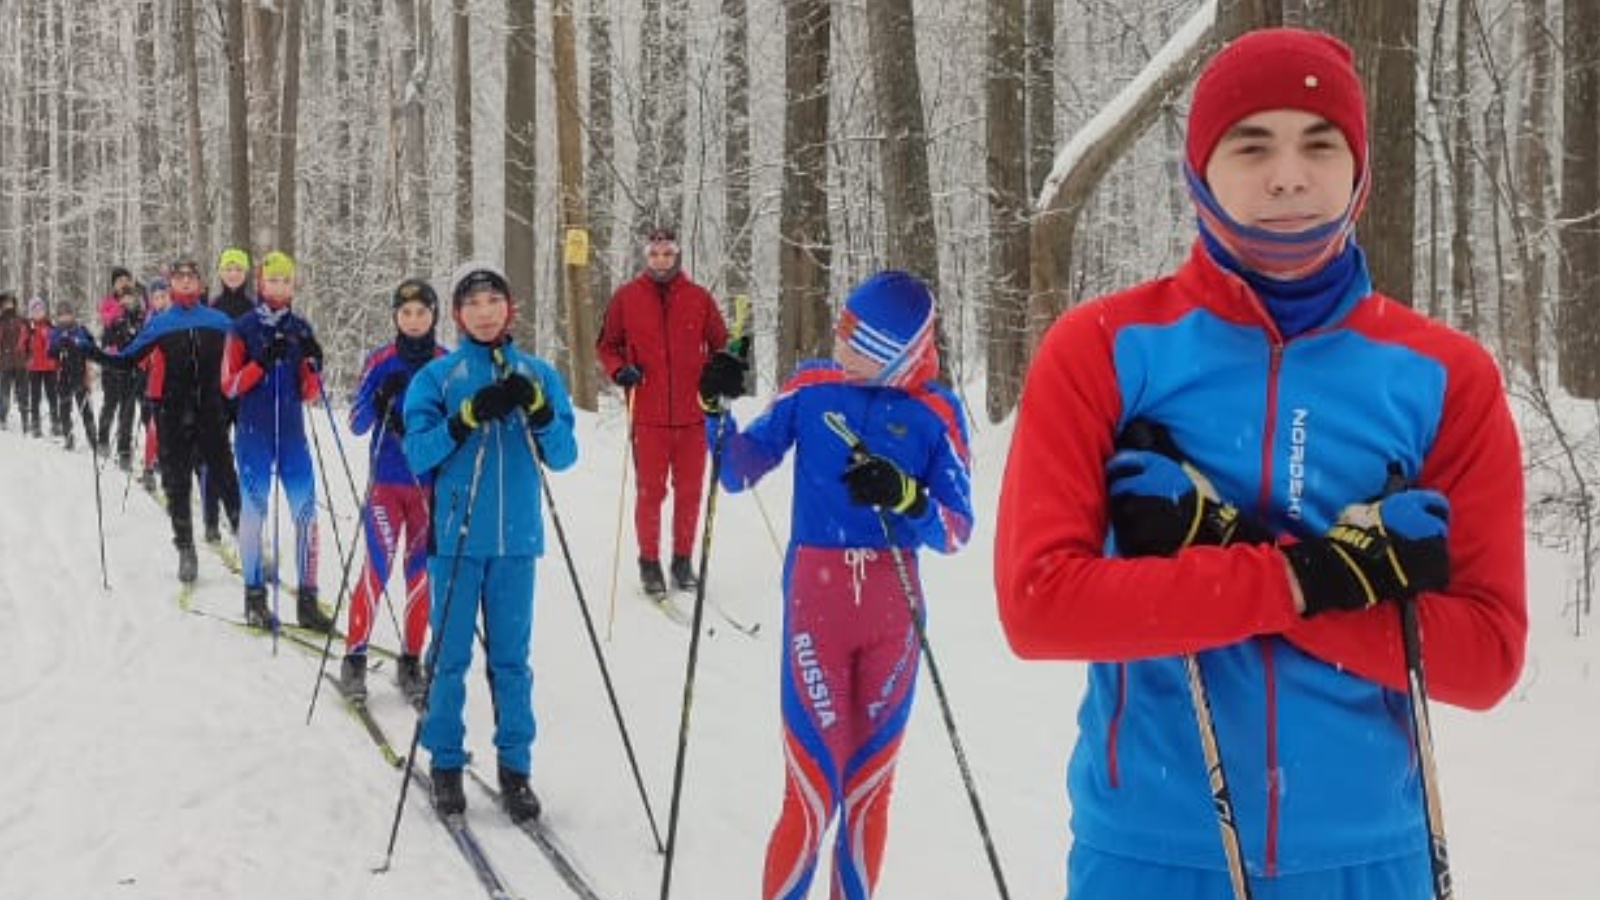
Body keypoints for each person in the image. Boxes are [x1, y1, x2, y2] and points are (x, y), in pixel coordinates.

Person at [992, 27, 1527, 900]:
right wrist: (1316, 577)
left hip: (1370, 856)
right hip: (1152, 855)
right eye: (1253, 145)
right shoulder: (1104, 351)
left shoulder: (1443, 377)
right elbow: (1040, 606)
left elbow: (1484, 658)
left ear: (1359, 173)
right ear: (1200, 168)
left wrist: (1240, 563)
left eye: (1322, 144)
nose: (1289, 175)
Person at [697, 270, 973, 900]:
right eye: (840, 329)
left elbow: (957, 531)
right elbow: (738, 472)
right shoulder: (813, 386)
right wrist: (715, 411)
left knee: (869, 789)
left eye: (856, 338)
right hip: (816, 607)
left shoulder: (936, 411)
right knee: (812, 788)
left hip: (893, 613)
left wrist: (906, 496)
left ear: (893, 353)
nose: (837, 343)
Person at [402, 260, 577, 824]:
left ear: (510, 308)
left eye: (493, 301)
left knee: (511, 661)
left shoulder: (538, 372)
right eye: (472, 303)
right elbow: (418, 452)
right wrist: (468, 416)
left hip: (517, 539)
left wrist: (540, 410)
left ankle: (515, 768)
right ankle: (447, 762)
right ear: (456, 314)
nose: (484, 312)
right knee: (449, 657)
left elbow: (565, 454)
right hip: (455, 537)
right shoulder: (439, 378)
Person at [85, 257, 241, 583]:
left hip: (211, 411)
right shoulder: (160, 323)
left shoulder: (219, 320)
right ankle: (186, 548)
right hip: (171, 412)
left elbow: (248, 350)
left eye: (191, 276)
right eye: (179, 276)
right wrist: (92, 352)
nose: (185, 281)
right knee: (177, 481)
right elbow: (128, 360)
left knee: (226, 476)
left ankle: (247, 539)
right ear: (171, 284)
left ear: (200, 283)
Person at [595, 226, 730, 597]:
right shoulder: (627, 297)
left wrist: (723, 372)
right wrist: (619, 369)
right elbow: (607, 345)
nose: (660, 260)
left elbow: (724, 345)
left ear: (678, 255)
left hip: (693, 415)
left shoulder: (698, 298)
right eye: (654, 254)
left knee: (689, 491)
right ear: (645, 256)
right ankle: (649, 563)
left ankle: (682, 560)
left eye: (667, 253)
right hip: (648, 416)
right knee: (650, 492)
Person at [340, 278, 447, 703]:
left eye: (422, 312)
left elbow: (458, 428)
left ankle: (410, 661)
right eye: (406, 313)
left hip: (428, 489)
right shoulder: (380, 360)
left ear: (434, 315)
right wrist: (378, 400)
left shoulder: (445, 362)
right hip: (386, 484)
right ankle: (354, 658)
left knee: (420, 577)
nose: (415, 320)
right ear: (395, 317)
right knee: (377, 569)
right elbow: (355, 423)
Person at [221, 250, 333, 632]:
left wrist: (313, 366)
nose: (280, 287)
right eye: (273, 280)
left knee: (306, 515)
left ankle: (307, 600)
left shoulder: (301, 329)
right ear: (261, 283)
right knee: (255, 514)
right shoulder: (243, 327)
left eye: (287, 280)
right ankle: (254, 596)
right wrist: (262, 362)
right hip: (254, 434)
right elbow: (230, 384)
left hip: (292, 435)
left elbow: (308, 394)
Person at [204, 247, 254, 542]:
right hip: (216, 394)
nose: (233, 273)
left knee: (247, 459)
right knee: (215, 456)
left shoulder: (254, 308)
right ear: (221, 272)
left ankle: (243, 518)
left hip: (246, 393)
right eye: (228, 268)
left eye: (238, 268)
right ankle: (211, 520)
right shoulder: (212, 308)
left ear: (245, 273)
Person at [97, 280, 147, 469]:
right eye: (123, 298)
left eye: (130, 298)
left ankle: (124, 450)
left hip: (134, 370)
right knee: (113, 406)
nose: (127, 301)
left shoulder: (140, 318)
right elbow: (106, 341)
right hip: (115, 370)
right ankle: (108, 441)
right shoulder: (115, 319)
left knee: (130, 410)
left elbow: (144, 340)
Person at [48, 302, 97, 452]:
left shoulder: (80, 329)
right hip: (63, 375)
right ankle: (68, 437)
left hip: (79, 374)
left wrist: (76, 343)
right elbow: (50, 352)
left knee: (85, 408)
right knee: (64, 407)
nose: (64, 318)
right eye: (61, 315)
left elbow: (91, 346)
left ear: (72, 315)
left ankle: (92, 438)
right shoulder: (55, 331)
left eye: (67, 314)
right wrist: (58, 347)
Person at [23, 297, 60, 439]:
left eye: (40, 309)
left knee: (52, 396)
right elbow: (22, 346)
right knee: (35, 397)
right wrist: (26, 358)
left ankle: (55, 423)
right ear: (31, 313)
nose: (38, 312)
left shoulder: (51, 326)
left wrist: (57, 361)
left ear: (45, 311)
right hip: (34, 368)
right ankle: (35, 424)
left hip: (50, 367)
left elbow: (56, 346)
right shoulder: (28, 328)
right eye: (35, 310)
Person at [0, 292, 27, 430]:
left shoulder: (22, 320)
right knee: (4, 393)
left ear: (14, 303)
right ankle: (2, 418)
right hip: (5, 363)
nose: (8, 304)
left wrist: (29, 356)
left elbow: (29, 339)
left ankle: (25, 419)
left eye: (10, 302)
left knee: (22, 392)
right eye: (5, 302)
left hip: (21, 363)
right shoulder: (0, 321)